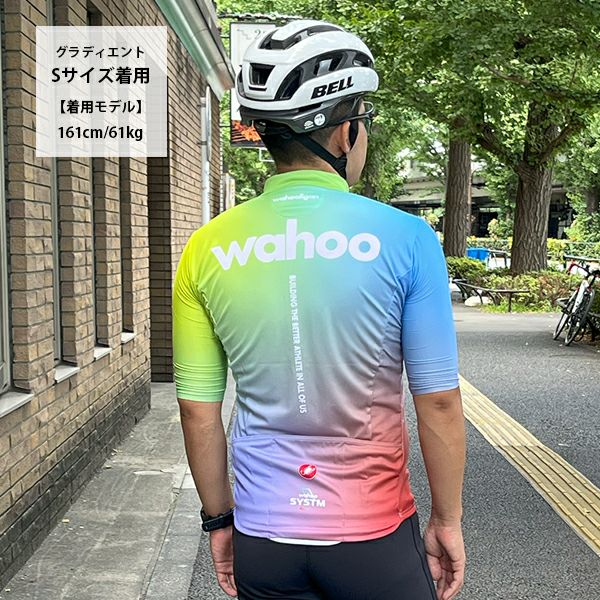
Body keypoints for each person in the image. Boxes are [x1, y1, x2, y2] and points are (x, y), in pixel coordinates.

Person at [172, 19, 466, 600]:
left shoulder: (206, 247)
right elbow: (437, 400)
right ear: (345, 131)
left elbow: (197, 411)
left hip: (263, 534)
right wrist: (447, 520)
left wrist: (219, 520)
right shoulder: (407, 238)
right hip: (374, 534)